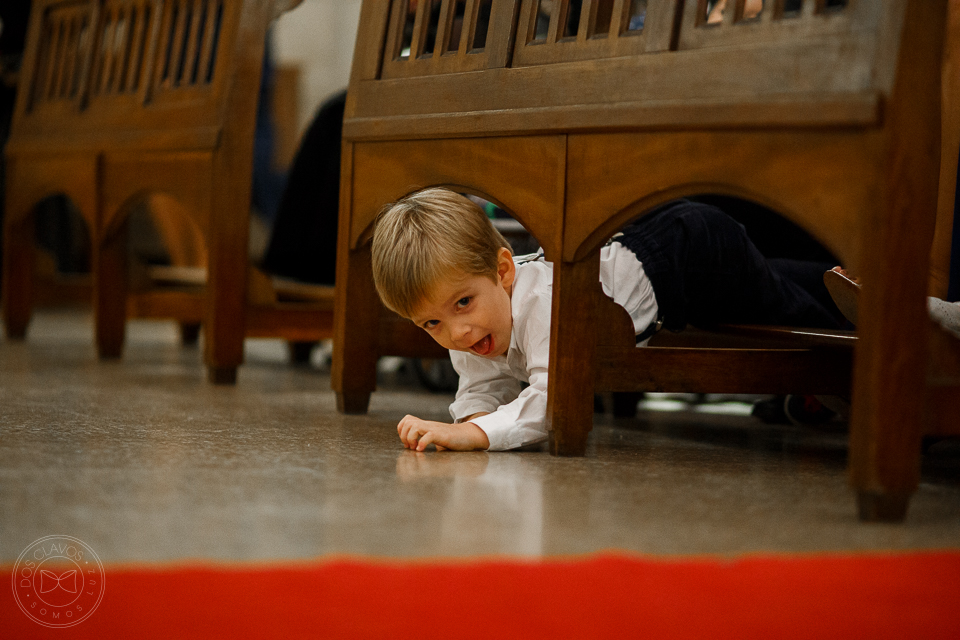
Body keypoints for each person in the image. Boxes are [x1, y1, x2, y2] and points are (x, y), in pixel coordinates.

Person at [371, 188, 844, 452]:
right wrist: (473, 421)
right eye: (431, 324)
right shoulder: (477, 323)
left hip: (690, 250)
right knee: (781, 280)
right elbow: (480, 387)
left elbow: (554, 396)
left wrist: (477, 433)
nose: (457, 333)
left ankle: (863, 349)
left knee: (782, 307)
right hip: (657, 260)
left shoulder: (543, 306)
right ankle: (846, 282)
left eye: (462, 304)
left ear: (503, 271)